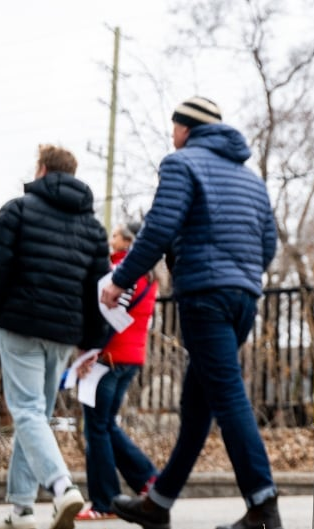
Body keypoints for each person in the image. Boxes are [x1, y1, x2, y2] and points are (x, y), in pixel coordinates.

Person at [101, 96, 281, 529]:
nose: (171, 134)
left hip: (205, 297)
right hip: (243, 298)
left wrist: (120, 280)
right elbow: (269, 245)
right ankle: (158, 503)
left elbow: (160, 227)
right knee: (197, 403)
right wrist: (239, 272)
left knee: (228, 395)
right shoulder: (250, 179)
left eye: (173, 126)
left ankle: (264, 504)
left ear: (186, 128)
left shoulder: (181, 164)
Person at [0, 144, 110, 529]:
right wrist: (93, 338)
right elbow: (97, 286)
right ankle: (22, 510)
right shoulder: (93, 226)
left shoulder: (17, 210)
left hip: (20, 324)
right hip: (63, 333)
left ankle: (62, 487)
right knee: (34, 414)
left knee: (25, 410)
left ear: (41, 170)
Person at [75, 222, 159, 521]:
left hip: (109, 357)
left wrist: (89, 352)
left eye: (115, 235)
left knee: (96, 428)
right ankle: (148, 480)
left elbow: (112, 314)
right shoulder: (150, 276)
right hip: (131, 357)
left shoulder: (124, 271)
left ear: (128, 241)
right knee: (106, 424)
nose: (110, 239)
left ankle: (104, 501)